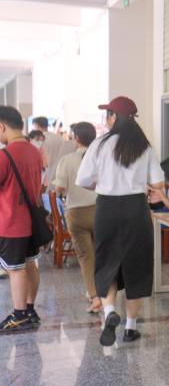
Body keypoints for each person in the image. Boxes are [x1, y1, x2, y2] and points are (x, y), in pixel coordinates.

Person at [76, 96, 164, 346]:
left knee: (107, 262)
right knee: (137, 265)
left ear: (114, 118)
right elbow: (159, 183)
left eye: (108, 115)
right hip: (136, 208)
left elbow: (82, 180)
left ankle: (110, 311)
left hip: (107, 208)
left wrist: (102, 185)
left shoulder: (99, 144)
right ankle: (130, 328)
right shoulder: (144, 147)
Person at [0, 106, 45, 332]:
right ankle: (29, 309)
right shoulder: (34, 151)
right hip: (31, 220)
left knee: (15, 269)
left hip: (12, 222)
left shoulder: (5, 155)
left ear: (2, 126)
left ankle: (18, 315)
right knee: (30, 265)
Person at [53, 122, 101, 315]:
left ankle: (94, 296)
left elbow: (60, 188)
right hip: (101, 211)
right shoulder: (101, 157)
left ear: (77, 138)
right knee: (101, 254)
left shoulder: (67, 160)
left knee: (85, 256)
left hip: (77, 214)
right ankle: (106, 294)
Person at [32, 116, 75, 190]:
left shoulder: (37, 139)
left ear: (37, 125)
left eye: (34, 126)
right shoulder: (59, 138)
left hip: (43, 176)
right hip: (57, 174)